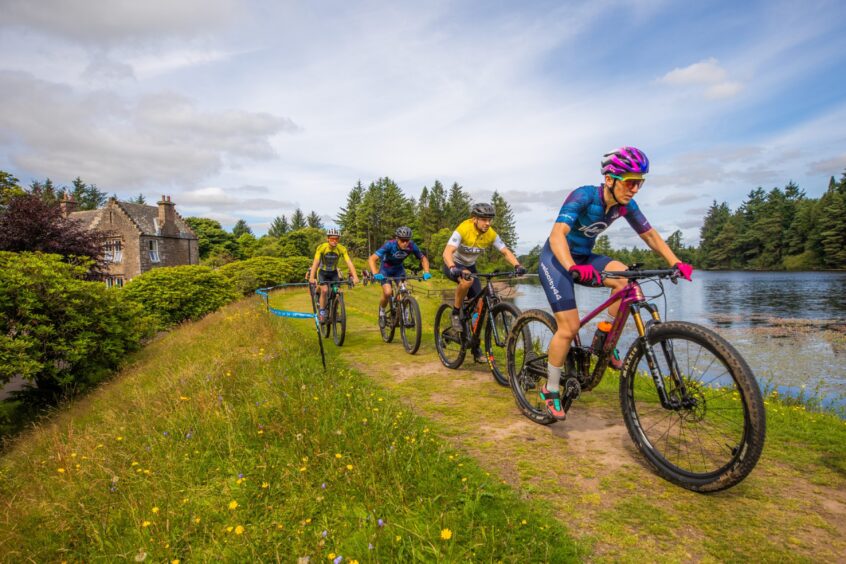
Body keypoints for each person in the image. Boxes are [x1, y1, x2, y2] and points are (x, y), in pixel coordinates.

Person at [537, 146, 694, 420]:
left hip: (585, 257)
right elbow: (557, 235)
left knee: (627, 280)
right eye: (630, 182)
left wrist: (675, 262)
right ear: (610, 179)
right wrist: (573, 267)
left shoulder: (625, 206)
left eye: (640, 183)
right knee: (569, 327)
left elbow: (650, 236)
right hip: (557, 260)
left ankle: (602, 338)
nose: (635, 189)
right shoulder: (584, 196)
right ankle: (549, 390)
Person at [442, 203, 526, 362]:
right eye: (484, 220)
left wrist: (517, 265)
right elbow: (447, 252)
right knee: (466, 281)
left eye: (490, 220)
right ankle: (455, 312)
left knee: (479, 306)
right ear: (474, 219)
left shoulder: (491, 234)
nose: (487, 223)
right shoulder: (463, 229)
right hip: (452, 264)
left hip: (470, 266)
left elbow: (505, 251)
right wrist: (453, 267)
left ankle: (475, 346)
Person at [369, 226, 432, 327]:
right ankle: (382, 311)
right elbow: (372, 259)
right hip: (385, 270)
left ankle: (404, 314)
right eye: (403, 240)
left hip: (399, 270)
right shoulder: (389, 245)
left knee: (403, 291)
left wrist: (426, 271)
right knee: (388, 292)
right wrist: (376, 273)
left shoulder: (411, 246)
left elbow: (423, 259)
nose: (405, 243)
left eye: (407, 240)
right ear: (397, 239)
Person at [309, 227, 359, 322]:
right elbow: (315, 262)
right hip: (322, 272)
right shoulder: (322, 247)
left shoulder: (341, 249)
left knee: (337, 291)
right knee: (325, 290)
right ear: (328, 239)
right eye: (332, 239)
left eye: (337, 239)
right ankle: (322, 312)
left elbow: (349, 263)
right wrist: (312, 277)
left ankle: (335, 309)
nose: (334, 241)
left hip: (333, 273)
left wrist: (355, 276)